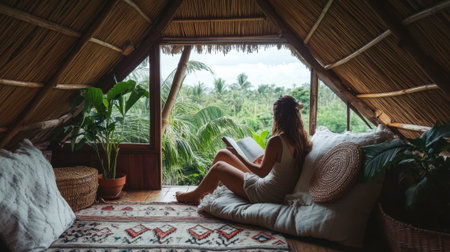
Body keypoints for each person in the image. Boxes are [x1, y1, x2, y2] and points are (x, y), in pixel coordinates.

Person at [176, 95, 312, 204]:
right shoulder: (301, 139)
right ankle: (203, 191)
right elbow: (281, 168)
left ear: (278, 116)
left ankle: (195, 196)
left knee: (219, 167)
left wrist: (238, 154)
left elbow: (261, 173)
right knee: (223, 154)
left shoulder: (277, 140)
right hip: (274, 188)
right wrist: (262, 161)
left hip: (266, 192)